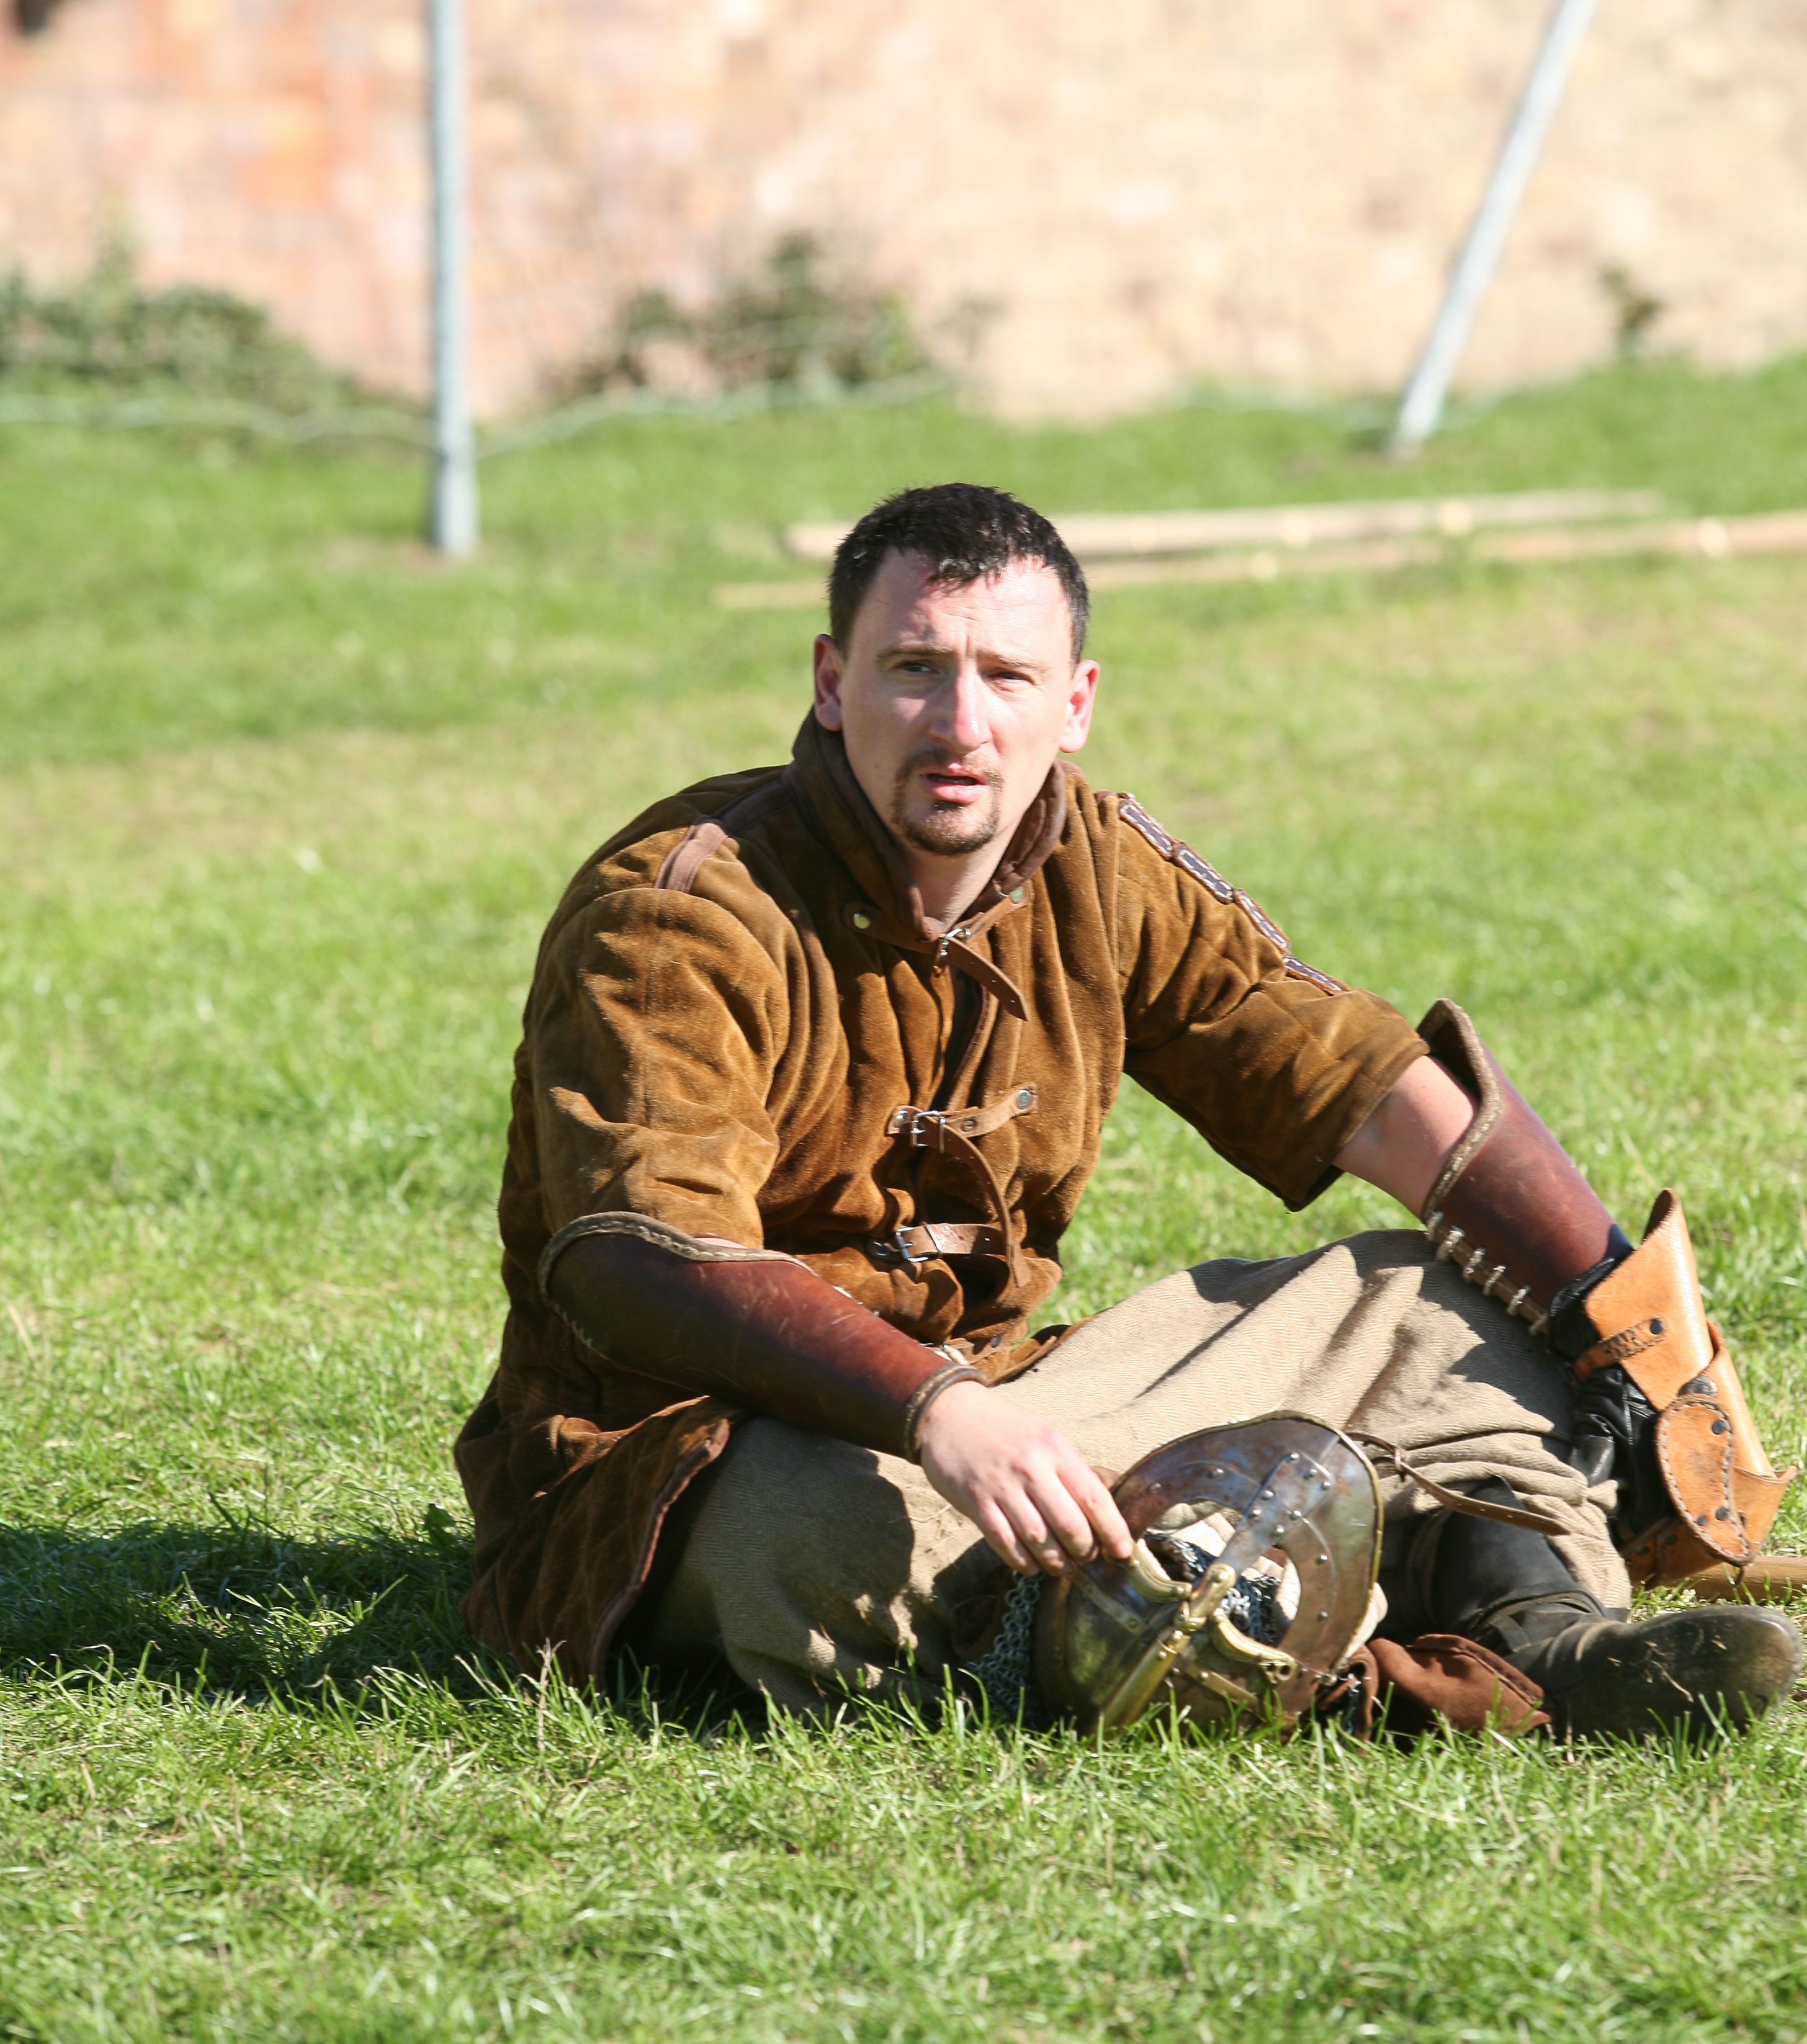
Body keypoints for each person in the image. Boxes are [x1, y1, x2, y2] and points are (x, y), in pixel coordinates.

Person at [455, 483, 1801, 1738]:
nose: (960, 724)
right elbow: (638, 1261)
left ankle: (1545, 1627)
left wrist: (1633, 1326)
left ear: (1076, 702)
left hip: (1013, 1413)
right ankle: (1351, 1665)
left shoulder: (1093, 861)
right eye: (914, 668)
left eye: (1007, 677)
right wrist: (935, 1413)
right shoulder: (680, 913)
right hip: (691, 1460)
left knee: (1434, 1302)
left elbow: (1344, 1075)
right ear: (829, 680)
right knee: (807, 1527)